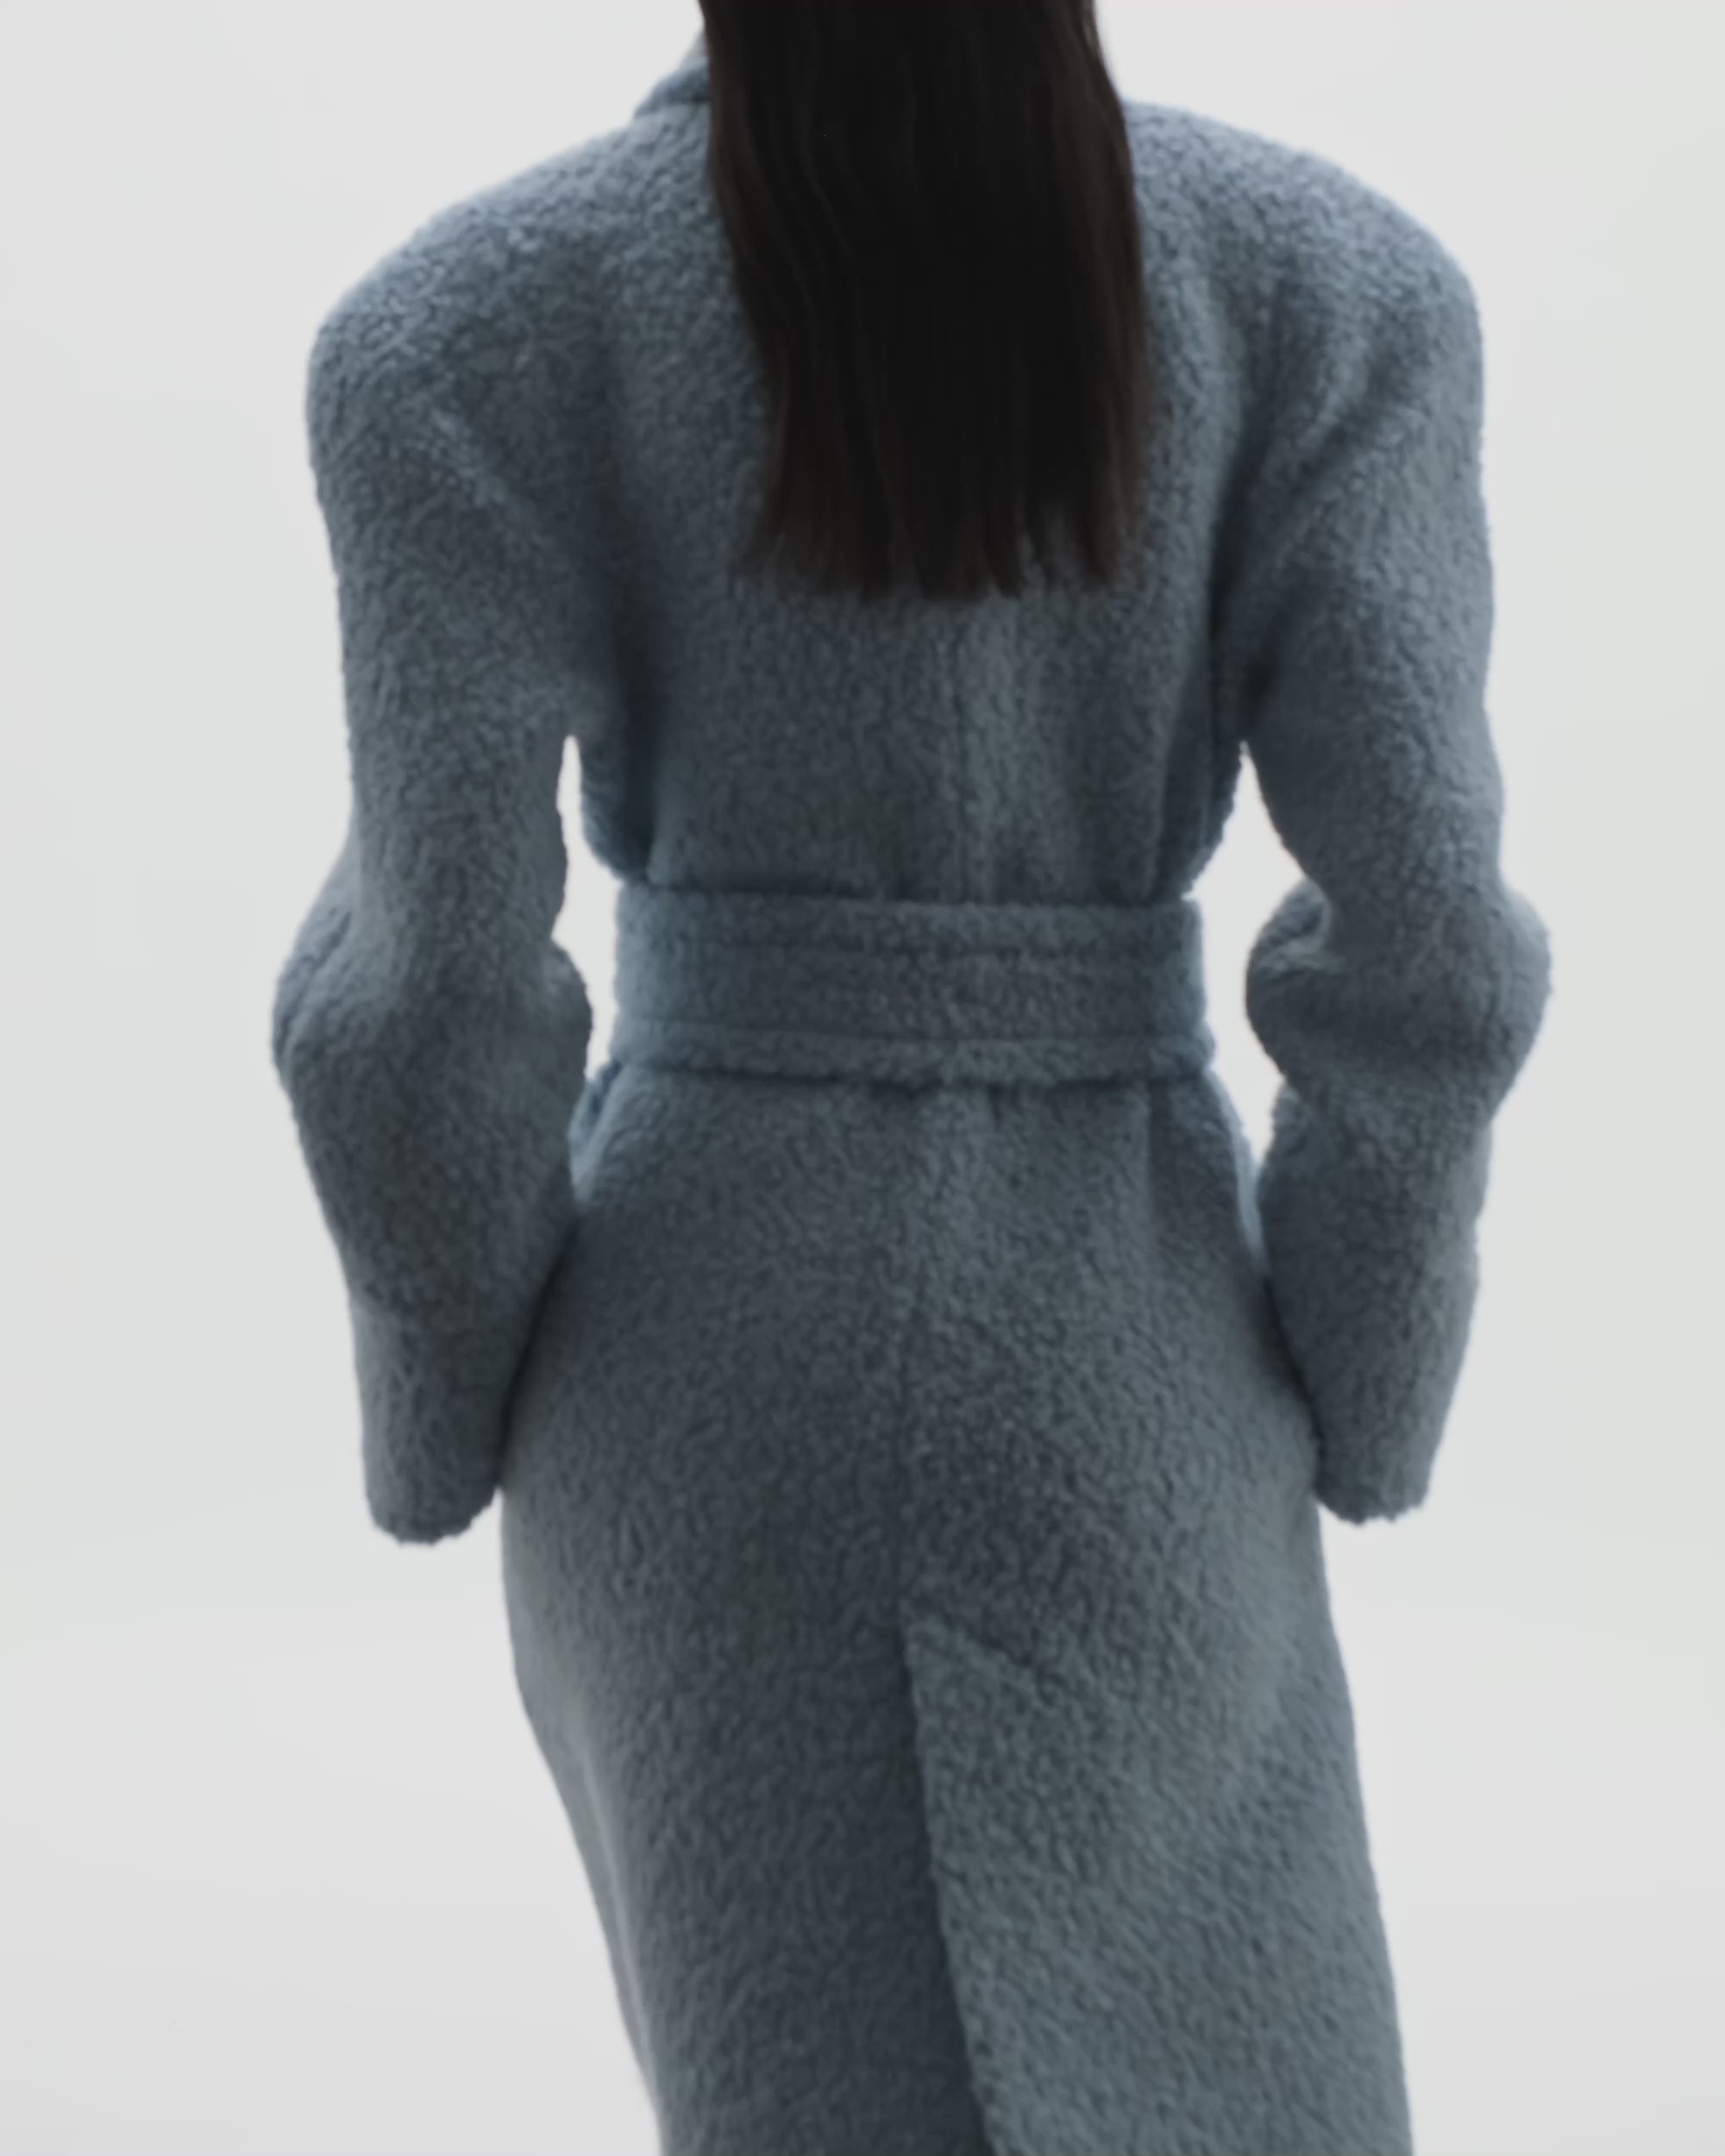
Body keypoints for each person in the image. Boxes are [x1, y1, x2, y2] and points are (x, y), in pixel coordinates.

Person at [268, 8, 1552, 2152]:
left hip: (699, 1382)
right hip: (1129, 1358)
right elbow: (1424, 937)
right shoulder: (1332, 294)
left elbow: (423, 1002)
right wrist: (1361, 1366)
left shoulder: (464, 333)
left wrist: (445, 1391)